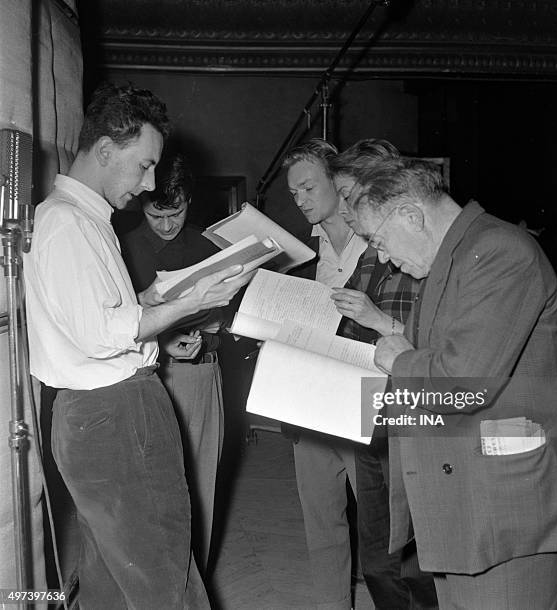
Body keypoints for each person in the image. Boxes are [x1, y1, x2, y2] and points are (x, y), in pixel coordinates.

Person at [24, 83, 252, 609]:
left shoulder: (76, 217)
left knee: (111, 577)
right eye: (144, 165)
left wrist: (152, 295)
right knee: (165, 574)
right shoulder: (70, 223)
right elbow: (103, 335)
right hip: (117, 412)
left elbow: (95, 313)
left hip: (92, 415)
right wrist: (191, 302)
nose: (150, 184)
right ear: (105, 151)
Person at [348, 159, 557, 609]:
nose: (383, 257)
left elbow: (462, 384)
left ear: (411, 215)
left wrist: (399, 358)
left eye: (378, 240)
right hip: (464, 501)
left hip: (508, 510)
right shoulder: (452, 258)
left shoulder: (501, 251)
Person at [329, 141, 437, 609]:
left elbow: (442, 351)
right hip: (369, 405)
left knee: (416, 555)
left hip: (415, 414)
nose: (346, 212)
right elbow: (345, 318)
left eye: (351, 198)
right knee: (376, 555)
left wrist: (376, 320)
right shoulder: (372, 256)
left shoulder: (422, 254)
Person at [120, 153, 226, 576]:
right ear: (141, 201)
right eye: (155, 214)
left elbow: (236, 316)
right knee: (148, 493)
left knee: (200, 489)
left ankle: (194, 585)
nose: (166, 225)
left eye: (176, 213)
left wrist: (221, 320)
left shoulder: (209, 246)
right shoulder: (119, 247)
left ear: (189, 201)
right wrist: (163, 343)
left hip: (201, 376)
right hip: (144, 377)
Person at [282, 138, 367, 609]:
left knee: (379, 521)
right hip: (314, 396)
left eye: (309, 187)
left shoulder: (374, 239)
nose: (302, 200)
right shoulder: (303, 254)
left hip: (362, 394)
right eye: (295, 194)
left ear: (338, 181)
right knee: (321, 517)